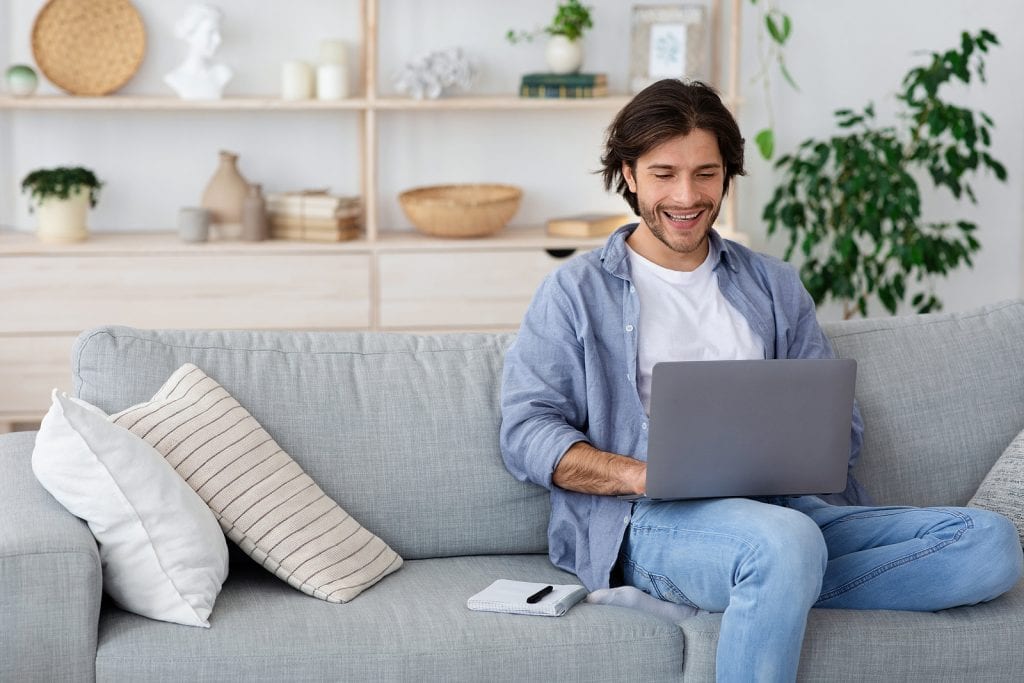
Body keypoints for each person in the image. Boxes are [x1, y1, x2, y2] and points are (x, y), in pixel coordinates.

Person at [499, 79, 1022, 682]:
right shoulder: (575, 291)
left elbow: (839, 429)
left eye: (706, 173)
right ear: (630, 174)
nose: (687, 196)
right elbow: (526, 432)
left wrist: (796, 457)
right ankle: (768, 574)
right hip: (651, 522)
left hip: (787, 511)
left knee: (990, 544)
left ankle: (764, 586)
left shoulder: (772, 284)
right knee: (783, 544)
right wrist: (642, 474)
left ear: (727, 176)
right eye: (664, 173)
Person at [164, 4, 233, 100]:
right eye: (211, 32)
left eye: (218, 32)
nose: (218, 39)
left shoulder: (222, 74)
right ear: (190, 35)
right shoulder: (175, 78)